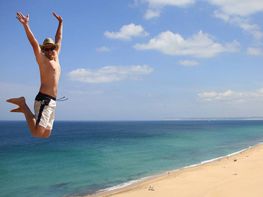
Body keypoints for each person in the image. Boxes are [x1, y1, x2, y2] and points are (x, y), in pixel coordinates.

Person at [6, 12, 63, 138]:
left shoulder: (56, 57)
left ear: (54, 48)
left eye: (51, 48)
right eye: (46, 49)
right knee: (36, 133)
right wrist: (26, 25)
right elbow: (33, 42)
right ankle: (23, 105)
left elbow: (58, 38)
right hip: (43, 99)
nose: (49, 51)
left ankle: (23, 108)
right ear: (43, 50)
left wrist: (60, 23)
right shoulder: (42, 59)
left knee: (46, 134)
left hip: (52, 101)